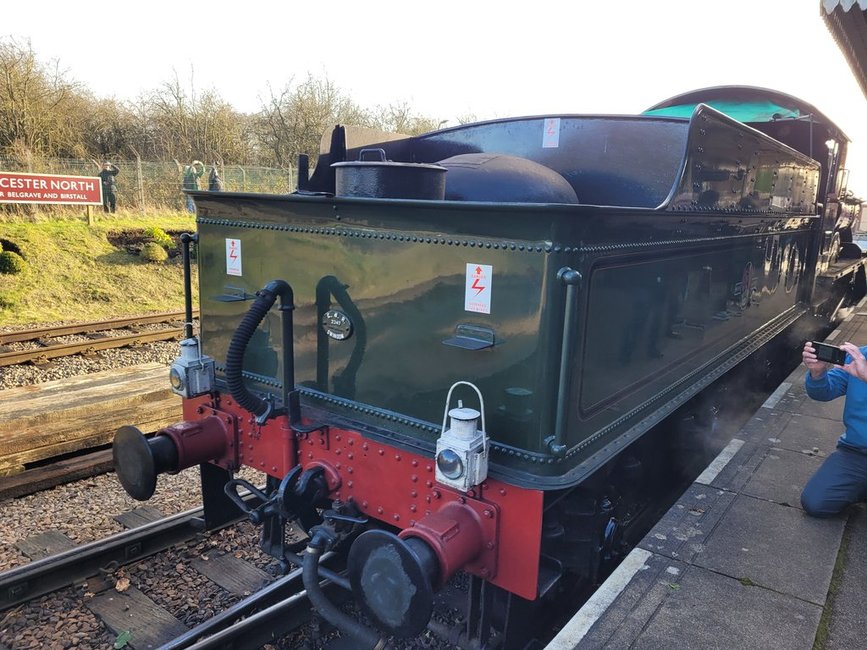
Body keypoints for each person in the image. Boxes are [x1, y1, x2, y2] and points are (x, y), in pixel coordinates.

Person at [800, 340, 867, 516]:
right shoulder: (859, 356)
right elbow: (823, 392)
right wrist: (818, 373)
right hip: (857, 452)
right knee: (815, 502)